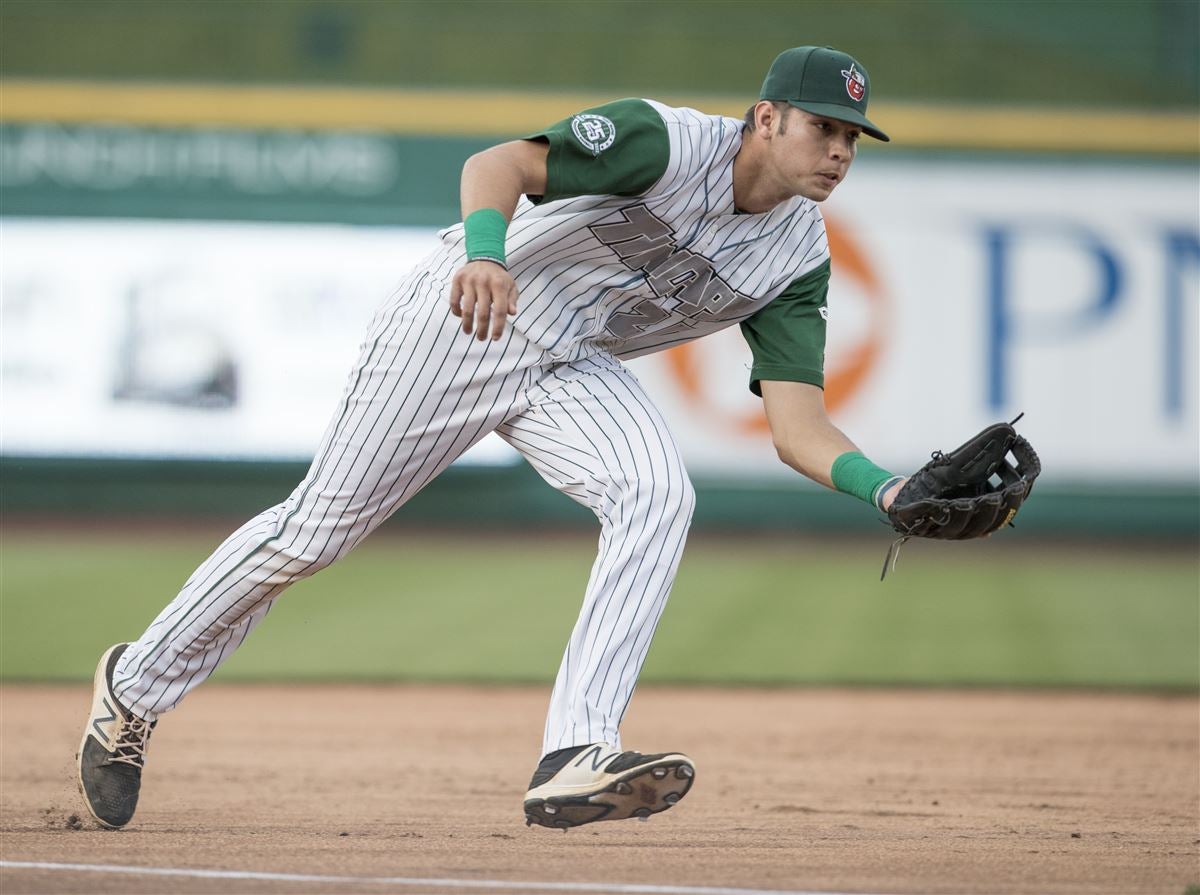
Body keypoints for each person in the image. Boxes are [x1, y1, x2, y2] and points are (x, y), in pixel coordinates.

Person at [79, 46, 906, 831]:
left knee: (657, 493)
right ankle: (135, 688)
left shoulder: (798, 253)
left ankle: (576, 751)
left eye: (851, 138)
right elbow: (498, 164)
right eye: (822, 127)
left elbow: (798, 428)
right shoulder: (666, 141)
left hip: (570, 360)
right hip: (467, 319)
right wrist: (484, 252)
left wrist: (889, 489)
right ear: (766, 118)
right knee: (313, 535)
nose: (838, 151)